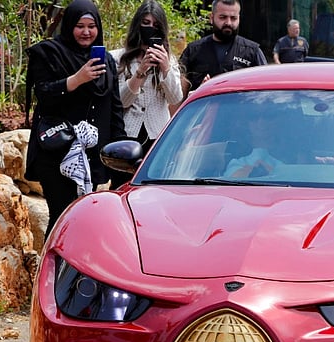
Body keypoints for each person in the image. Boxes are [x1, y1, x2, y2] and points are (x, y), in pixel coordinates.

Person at [24, 0, 126, 239]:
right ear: (69, 25)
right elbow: (44, 95)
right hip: (57, 154)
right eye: (80, 26)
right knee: (62, 217)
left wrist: (119, 148)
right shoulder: (49, 54)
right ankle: (54, 272)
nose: (86, 32)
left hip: (92, 156)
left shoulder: (106, 61)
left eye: (92, 26)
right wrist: (76, 79)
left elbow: (114, 107)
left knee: (86, 221)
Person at [110, 0, 183, 188]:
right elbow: (121, 102)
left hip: (157, 136)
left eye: (156, 25)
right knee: (123, 187)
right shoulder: (118, 58)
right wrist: (140, 72)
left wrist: (165, 67)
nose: (150, 29)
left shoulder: (168, 60)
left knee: (154, 187)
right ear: (137, 25)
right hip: (126, 136)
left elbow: (176, 98)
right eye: (146, 23)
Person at [179, 0, 267, 96]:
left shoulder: (252, 52)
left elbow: (265, 91)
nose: (228, 23)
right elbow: (177, 96)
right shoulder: (193, 51)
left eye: (233, 18)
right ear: (211, 18)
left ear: (239, 19)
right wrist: (200, 92)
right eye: (223, 17)